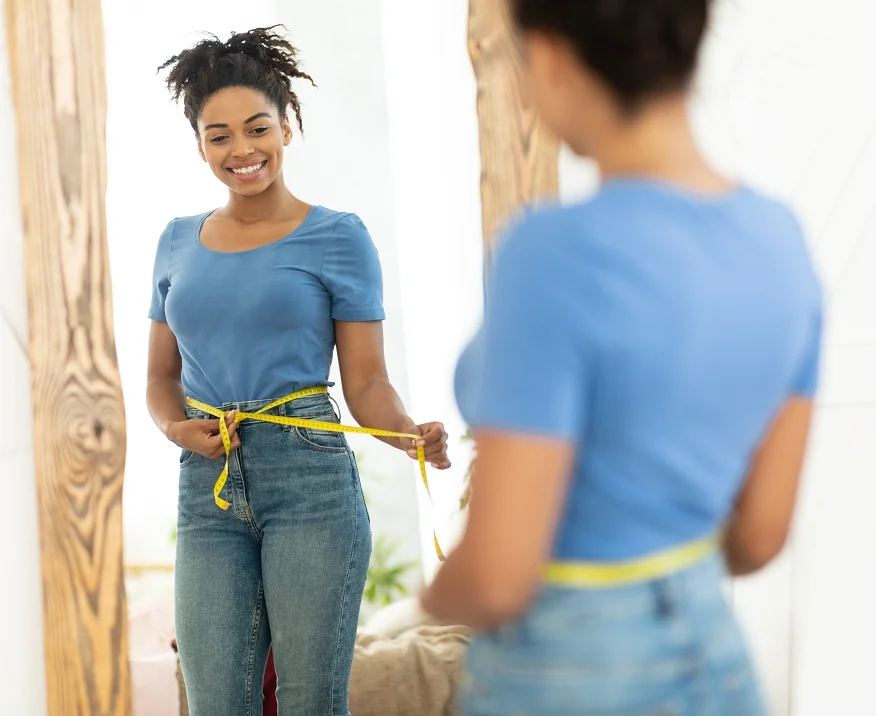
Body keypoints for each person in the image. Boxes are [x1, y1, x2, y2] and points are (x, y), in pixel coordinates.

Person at [420, 1, 821, 714]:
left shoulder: (550, 253)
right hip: (715, 664)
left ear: (549, 56)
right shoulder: (780, 239)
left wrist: (432, 595)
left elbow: (499, 577)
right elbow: (761, 534)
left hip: (566, 670)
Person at [147, 26, 450, 716]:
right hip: (209, 486)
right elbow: (160, 378)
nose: (241, 150)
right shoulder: (174, 241)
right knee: (217, 702)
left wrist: (404, 432)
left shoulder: (338, 235)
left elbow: (365, 382)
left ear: (287, 128)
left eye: (257, 128)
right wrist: (176, 429)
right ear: (200, 145)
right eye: (218, 135)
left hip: (309, 478)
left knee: (310, 702)